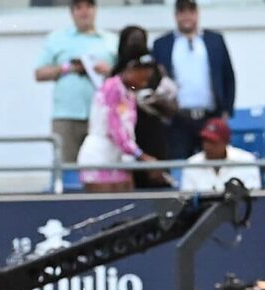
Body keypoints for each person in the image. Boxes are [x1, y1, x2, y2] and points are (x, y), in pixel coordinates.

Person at [35, 0, 117, 168]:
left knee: (102, 168)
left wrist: (107, 70)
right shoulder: (57, 38)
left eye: (88, 7)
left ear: (95, 10)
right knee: (67, 167)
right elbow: (39, 73)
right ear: (71, 12)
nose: (84, 12)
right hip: (67, 114)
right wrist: (68, 67)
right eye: (78, 8)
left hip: (102, 116)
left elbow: (124, 76)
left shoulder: (110, 40)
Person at [153, 0, 235, 161]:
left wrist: (226, 110)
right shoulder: (162, 44)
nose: (186, 17)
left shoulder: (215, 41)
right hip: (177, 119)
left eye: (190, 12)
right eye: (182, 12)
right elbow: (155, 80)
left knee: (213, 162)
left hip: (210, 116)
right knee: (179, 164)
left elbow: (228, 76)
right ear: (176, 15)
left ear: (197, 13)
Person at [78, 54, 158, 192]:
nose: (145, 83)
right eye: (143, 78)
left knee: (127, 207)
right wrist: (141, 156)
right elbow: (116, 130)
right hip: (99, 155)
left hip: (119, 156)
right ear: (130, 70)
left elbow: (128, 130)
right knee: (103, 207)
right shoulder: (113, 89)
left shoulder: (129, 92)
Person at [116, 26, 177, 190]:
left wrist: (155, 100)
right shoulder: (115, 77)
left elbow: (172, 108)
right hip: (126, 141)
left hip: (153, 136)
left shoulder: (155, 70)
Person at [179, 116, 261, 193]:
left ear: (226, 142)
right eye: (205, 140)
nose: (207, 146)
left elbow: (254, 198)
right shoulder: (191, 164)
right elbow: (187, 200)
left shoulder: (247, 160)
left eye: (212, 142)